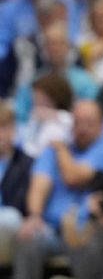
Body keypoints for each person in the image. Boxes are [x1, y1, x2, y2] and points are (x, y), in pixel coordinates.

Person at [14, 100, 103, 279]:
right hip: (51, 229)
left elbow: (73, 177)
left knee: (85, 240)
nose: (82, 128)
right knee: (29, 236)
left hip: (87, 230)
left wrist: (61, 148)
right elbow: (39, 183)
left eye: (88, 123)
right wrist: (34, 215)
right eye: (77, 122)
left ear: (102, 126)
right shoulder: (51, 152)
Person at [0, 103, 33, 266]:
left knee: (10, 217)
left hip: (13, 228)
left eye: (3, 127)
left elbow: (21, 206)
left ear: (13, 129)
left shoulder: (26, 163)